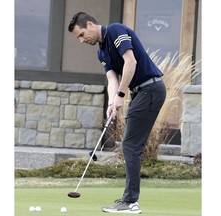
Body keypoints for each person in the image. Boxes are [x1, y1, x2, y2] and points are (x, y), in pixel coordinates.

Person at [68, 12, 166, 214]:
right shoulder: (101, 52)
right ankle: (129, 200)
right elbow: (112, 80)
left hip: (151, 89)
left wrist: (121, 94)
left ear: (90, 24)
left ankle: (130, 202)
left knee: (130, 145)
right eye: (78, 37)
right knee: (131, 145)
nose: (81, 40)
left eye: (81, 34)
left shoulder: (115, 30)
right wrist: (112, 102)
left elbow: (131, 62)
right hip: (142, 92)